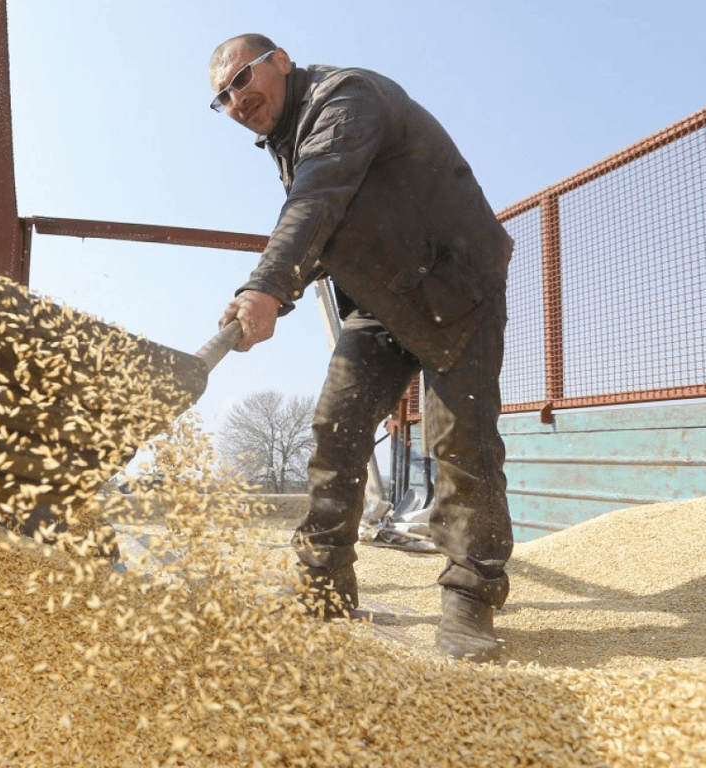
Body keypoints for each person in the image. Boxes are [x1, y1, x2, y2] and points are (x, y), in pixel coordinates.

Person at [208, 33, 515, 662]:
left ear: (281, 62)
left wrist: (265, 286)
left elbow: (319, 197)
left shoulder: (345, 98)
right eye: (222, 98)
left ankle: (471, 596)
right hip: (381, 300)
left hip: (456, 280)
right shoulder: (286, 141)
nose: (237, 100)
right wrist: (270, 294)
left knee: (460, 437)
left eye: (242, 80)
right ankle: (322, 583)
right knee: (336, 425)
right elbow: (324, 229)